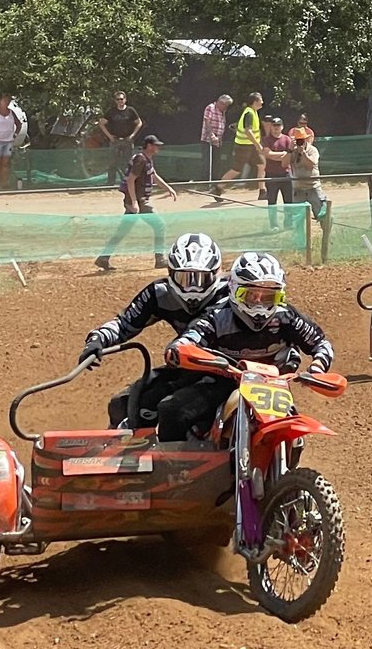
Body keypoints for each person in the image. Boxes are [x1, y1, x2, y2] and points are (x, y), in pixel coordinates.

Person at [157, 253, 334, 444]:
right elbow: (189, 339)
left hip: (273, 385)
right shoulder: (217, 317)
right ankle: (173, 469)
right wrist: (177, 351)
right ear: (233, 289)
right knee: (171, 410)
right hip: (224, 381)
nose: (259, 304)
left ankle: (287, 465)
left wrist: (317, 369)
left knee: (297, 437)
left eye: (268, 297)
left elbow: (321, 343)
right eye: (251, 295)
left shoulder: (286, 317)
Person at [79, 232, 229, 430]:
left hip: (230, 370)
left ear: (216, 273)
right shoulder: (159, 293)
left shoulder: (231, 295)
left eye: (202, 278)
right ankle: (125, 455)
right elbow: (125, 323)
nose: (193, 287)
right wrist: (97, 340)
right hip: (185, 366)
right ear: (171, 273)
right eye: (185, 278)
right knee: (123, 404)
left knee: (173, 410)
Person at [96, 134, 177, 271]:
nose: (158, 148)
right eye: (156, 145)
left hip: (139, 200)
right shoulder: (141, 160)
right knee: (159, 225)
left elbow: (154, 176)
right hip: (139, 201)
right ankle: (160, 259)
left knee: (123, 230)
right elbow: (130, 180)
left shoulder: (147, 160)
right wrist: (134, 202)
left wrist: (168, 188)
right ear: (149, 146)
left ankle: (103, 258)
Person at [218, 92, 265, 194]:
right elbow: (248, 131)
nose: (262, 102)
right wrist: (258, 144)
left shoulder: (253, 112)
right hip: (244, 146)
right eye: (261, 100)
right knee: (237, 169)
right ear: (255, 101)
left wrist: (256, 144)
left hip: (250, 146)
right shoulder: (249, 113)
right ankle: (218, 187)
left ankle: (262, 191)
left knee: (261, 165)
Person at [95, 91, 145, 185]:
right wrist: (110, 136)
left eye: (121, 99)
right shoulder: (111, 112)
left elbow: (139, 123)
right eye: (118, 99)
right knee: (112, 162)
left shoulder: (130, 111)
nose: (120, 101)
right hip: (115, 140)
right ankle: (110, 183)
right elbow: (101, 124)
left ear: (125, 100)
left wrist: (132, 135)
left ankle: (129, 182)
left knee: (128, 162)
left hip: (127, 140)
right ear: (115, 101)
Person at [287, 125, 326, 219]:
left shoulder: (313, 150)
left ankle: (326, 233)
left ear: (306, 140)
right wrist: (289, 150)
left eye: (302, 140)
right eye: (298, 140)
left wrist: (303, 153)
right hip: (298, 189)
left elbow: (310, 165)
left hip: (313, 187)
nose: (300, 143)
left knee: (322, 215)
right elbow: (284, 163)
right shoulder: (293, 151)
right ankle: (299, 234)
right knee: (297, 218)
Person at [200, 94, 233, 186]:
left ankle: (214, 183)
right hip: (207, 140)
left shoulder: (223, 112)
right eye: (226, 105)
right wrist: (212, 135)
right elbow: (207, 122)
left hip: (218, 141)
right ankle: (205, 183)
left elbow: (221, 126)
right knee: (207, 163)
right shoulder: (211, 108)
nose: (226, 108)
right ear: (221, 103)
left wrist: (219, 139)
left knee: (216, 163)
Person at [262, 133, 294, 212]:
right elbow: (267, 154)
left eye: (278, 125)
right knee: (272, 202)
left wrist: (274, 156)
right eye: (275, 125)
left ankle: (289, 223)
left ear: (282, 127)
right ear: (271, 126)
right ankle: (273, 224)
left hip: (286, 174)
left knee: (289, 202)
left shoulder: (287, 139)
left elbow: (291, 155)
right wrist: (284, 154)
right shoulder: (266, 139)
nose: (276, 127)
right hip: (271, 174)